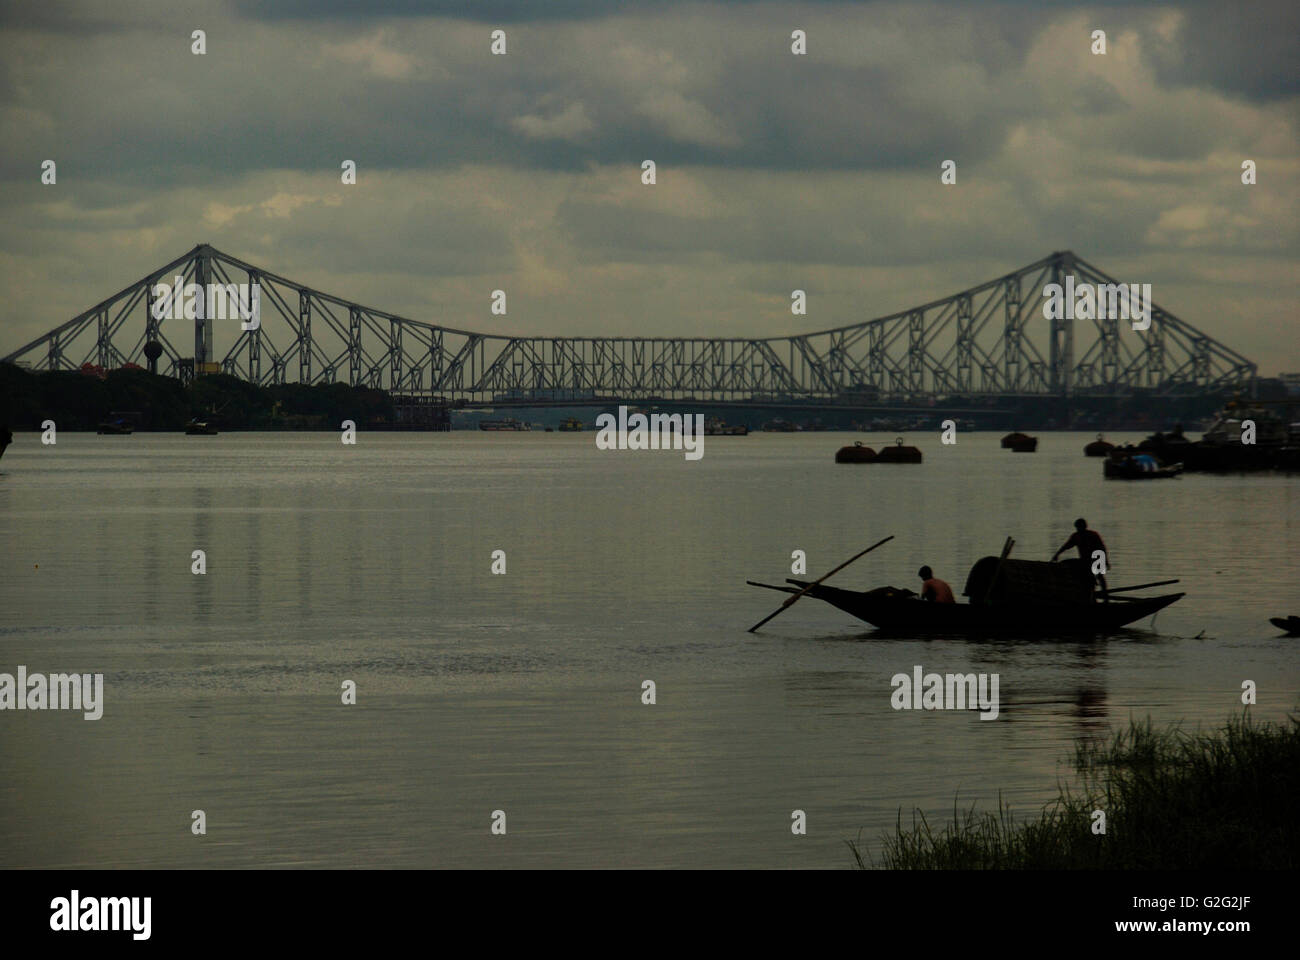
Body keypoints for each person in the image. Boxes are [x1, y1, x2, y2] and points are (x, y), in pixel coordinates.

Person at [1052, 518, 1110, 598]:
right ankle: (1092, 595)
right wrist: (1057, 554)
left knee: (1099, 576)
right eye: (1078, 527)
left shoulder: (1091, 535)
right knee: (1088, 576)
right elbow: (1066, 546)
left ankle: (1104, 595)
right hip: (1086, 560)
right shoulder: (1077, 536)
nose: (1078, 529)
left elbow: (1102, 548)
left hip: (1096, 559)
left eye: (1079, 527)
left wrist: (1105, 561)